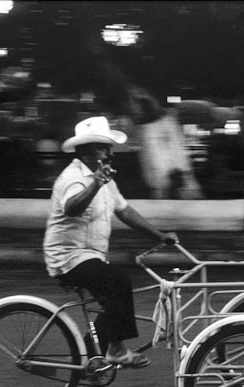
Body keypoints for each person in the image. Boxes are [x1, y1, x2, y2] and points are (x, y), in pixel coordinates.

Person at [43, 116, 178, 368]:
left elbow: (124, 211)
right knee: (118, 281)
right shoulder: (73, 177)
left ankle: (87, 359)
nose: (109, 152)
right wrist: (95, 183)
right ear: (84, 151)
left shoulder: (104, 179)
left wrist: (159, 235)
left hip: (90, 256)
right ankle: (115, 350)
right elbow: (72, 208)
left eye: (109, 147)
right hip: (68, 257)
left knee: (113, 304)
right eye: (102, 147)